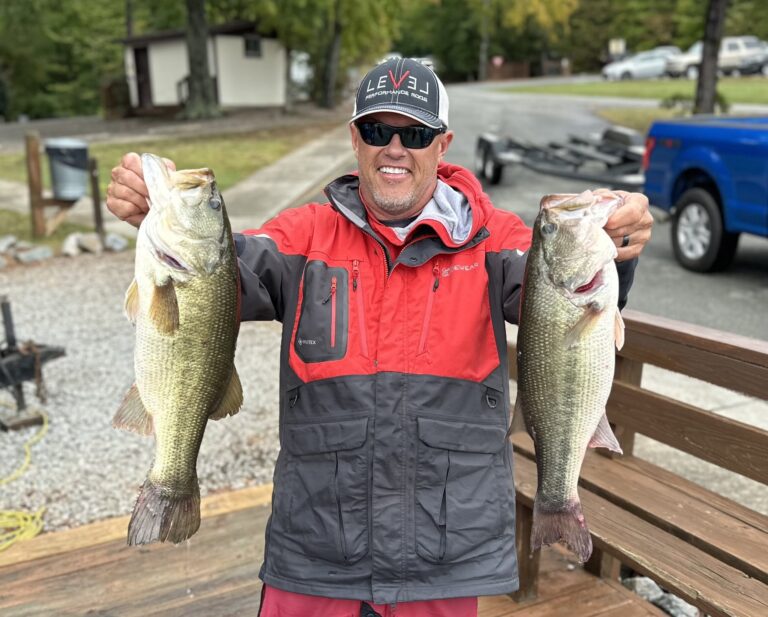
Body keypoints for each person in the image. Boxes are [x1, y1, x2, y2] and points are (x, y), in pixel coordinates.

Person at [107, 57, 653, 617]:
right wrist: (154, 211)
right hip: (314, 553)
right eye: (377, 130)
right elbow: (219, 274)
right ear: (355, 140)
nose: (394, 147)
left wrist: (618, 246)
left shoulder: (499, 243)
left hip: (446, 561)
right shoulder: (302, 235)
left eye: (414, 133)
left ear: (443, 145)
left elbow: (563, 299)